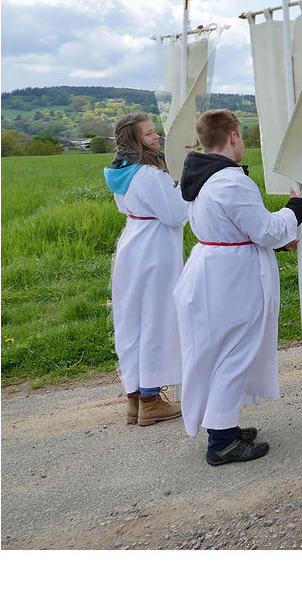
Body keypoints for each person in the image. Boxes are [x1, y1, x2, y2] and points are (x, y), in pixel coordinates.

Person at [174, 109, 302, 466]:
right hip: (231, 278)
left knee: (221, 350)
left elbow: (237, 228)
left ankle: (225, 427)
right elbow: (263, 229)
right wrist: (296, 209)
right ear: (233, 136)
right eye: (242, 135)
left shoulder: (200, 177)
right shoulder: (230, 181)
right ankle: (220, 441)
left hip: (213, 267)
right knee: (235, 351)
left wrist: (281, 237)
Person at [104, 112, 188, 427]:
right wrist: (185, 190)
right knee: (156, 319)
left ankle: (135, 399)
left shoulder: (120, 171)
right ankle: (151, 400)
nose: (156, 137)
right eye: (150, 134)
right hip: (155, 248)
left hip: (132, 245)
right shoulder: (149, 174)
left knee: (132, 320)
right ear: (135, 139)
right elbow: (174, 214)